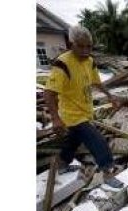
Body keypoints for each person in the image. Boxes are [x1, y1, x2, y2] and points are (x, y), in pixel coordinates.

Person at [44, 25, 123, 189]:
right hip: (71, 115)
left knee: (72, 142)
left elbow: (97, 82)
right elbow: (49, 94)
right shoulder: (62, 64)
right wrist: (55, 119)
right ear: (71, 43)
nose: (85, 50)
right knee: (98, 141)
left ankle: (62, 164)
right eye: (81, 46)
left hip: (85, 111)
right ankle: (108, 173)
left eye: (89, 46)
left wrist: (110, 96)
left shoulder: (90, 61)